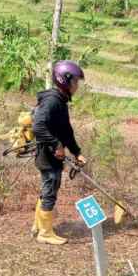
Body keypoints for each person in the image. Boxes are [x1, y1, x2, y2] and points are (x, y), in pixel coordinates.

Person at [30, 60, 87, 245]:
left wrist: (76, 152)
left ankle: (38, 225)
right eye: (75, 81)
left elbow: (66, 131)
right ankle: (45, 234)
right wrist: (57, 145)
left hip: (51, 154)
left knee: (49, 188)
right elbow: (38, 125)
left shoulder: (60, 101)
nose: (77, 85)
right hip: (47, 155)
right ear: (65, 80)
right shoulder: (53, 101)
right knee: (50, 191)